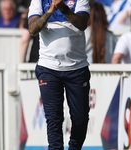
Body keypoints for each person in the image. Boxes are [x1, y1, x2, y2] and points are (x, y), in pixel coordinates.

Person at [28, 0, 91, 149]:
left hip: (77, 69)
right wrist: (50, 10)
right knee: (54, 119)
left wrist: (62, 7)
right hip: (48, 69)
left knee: (81, 119)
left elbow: (82, 24)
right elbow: (32, 29)